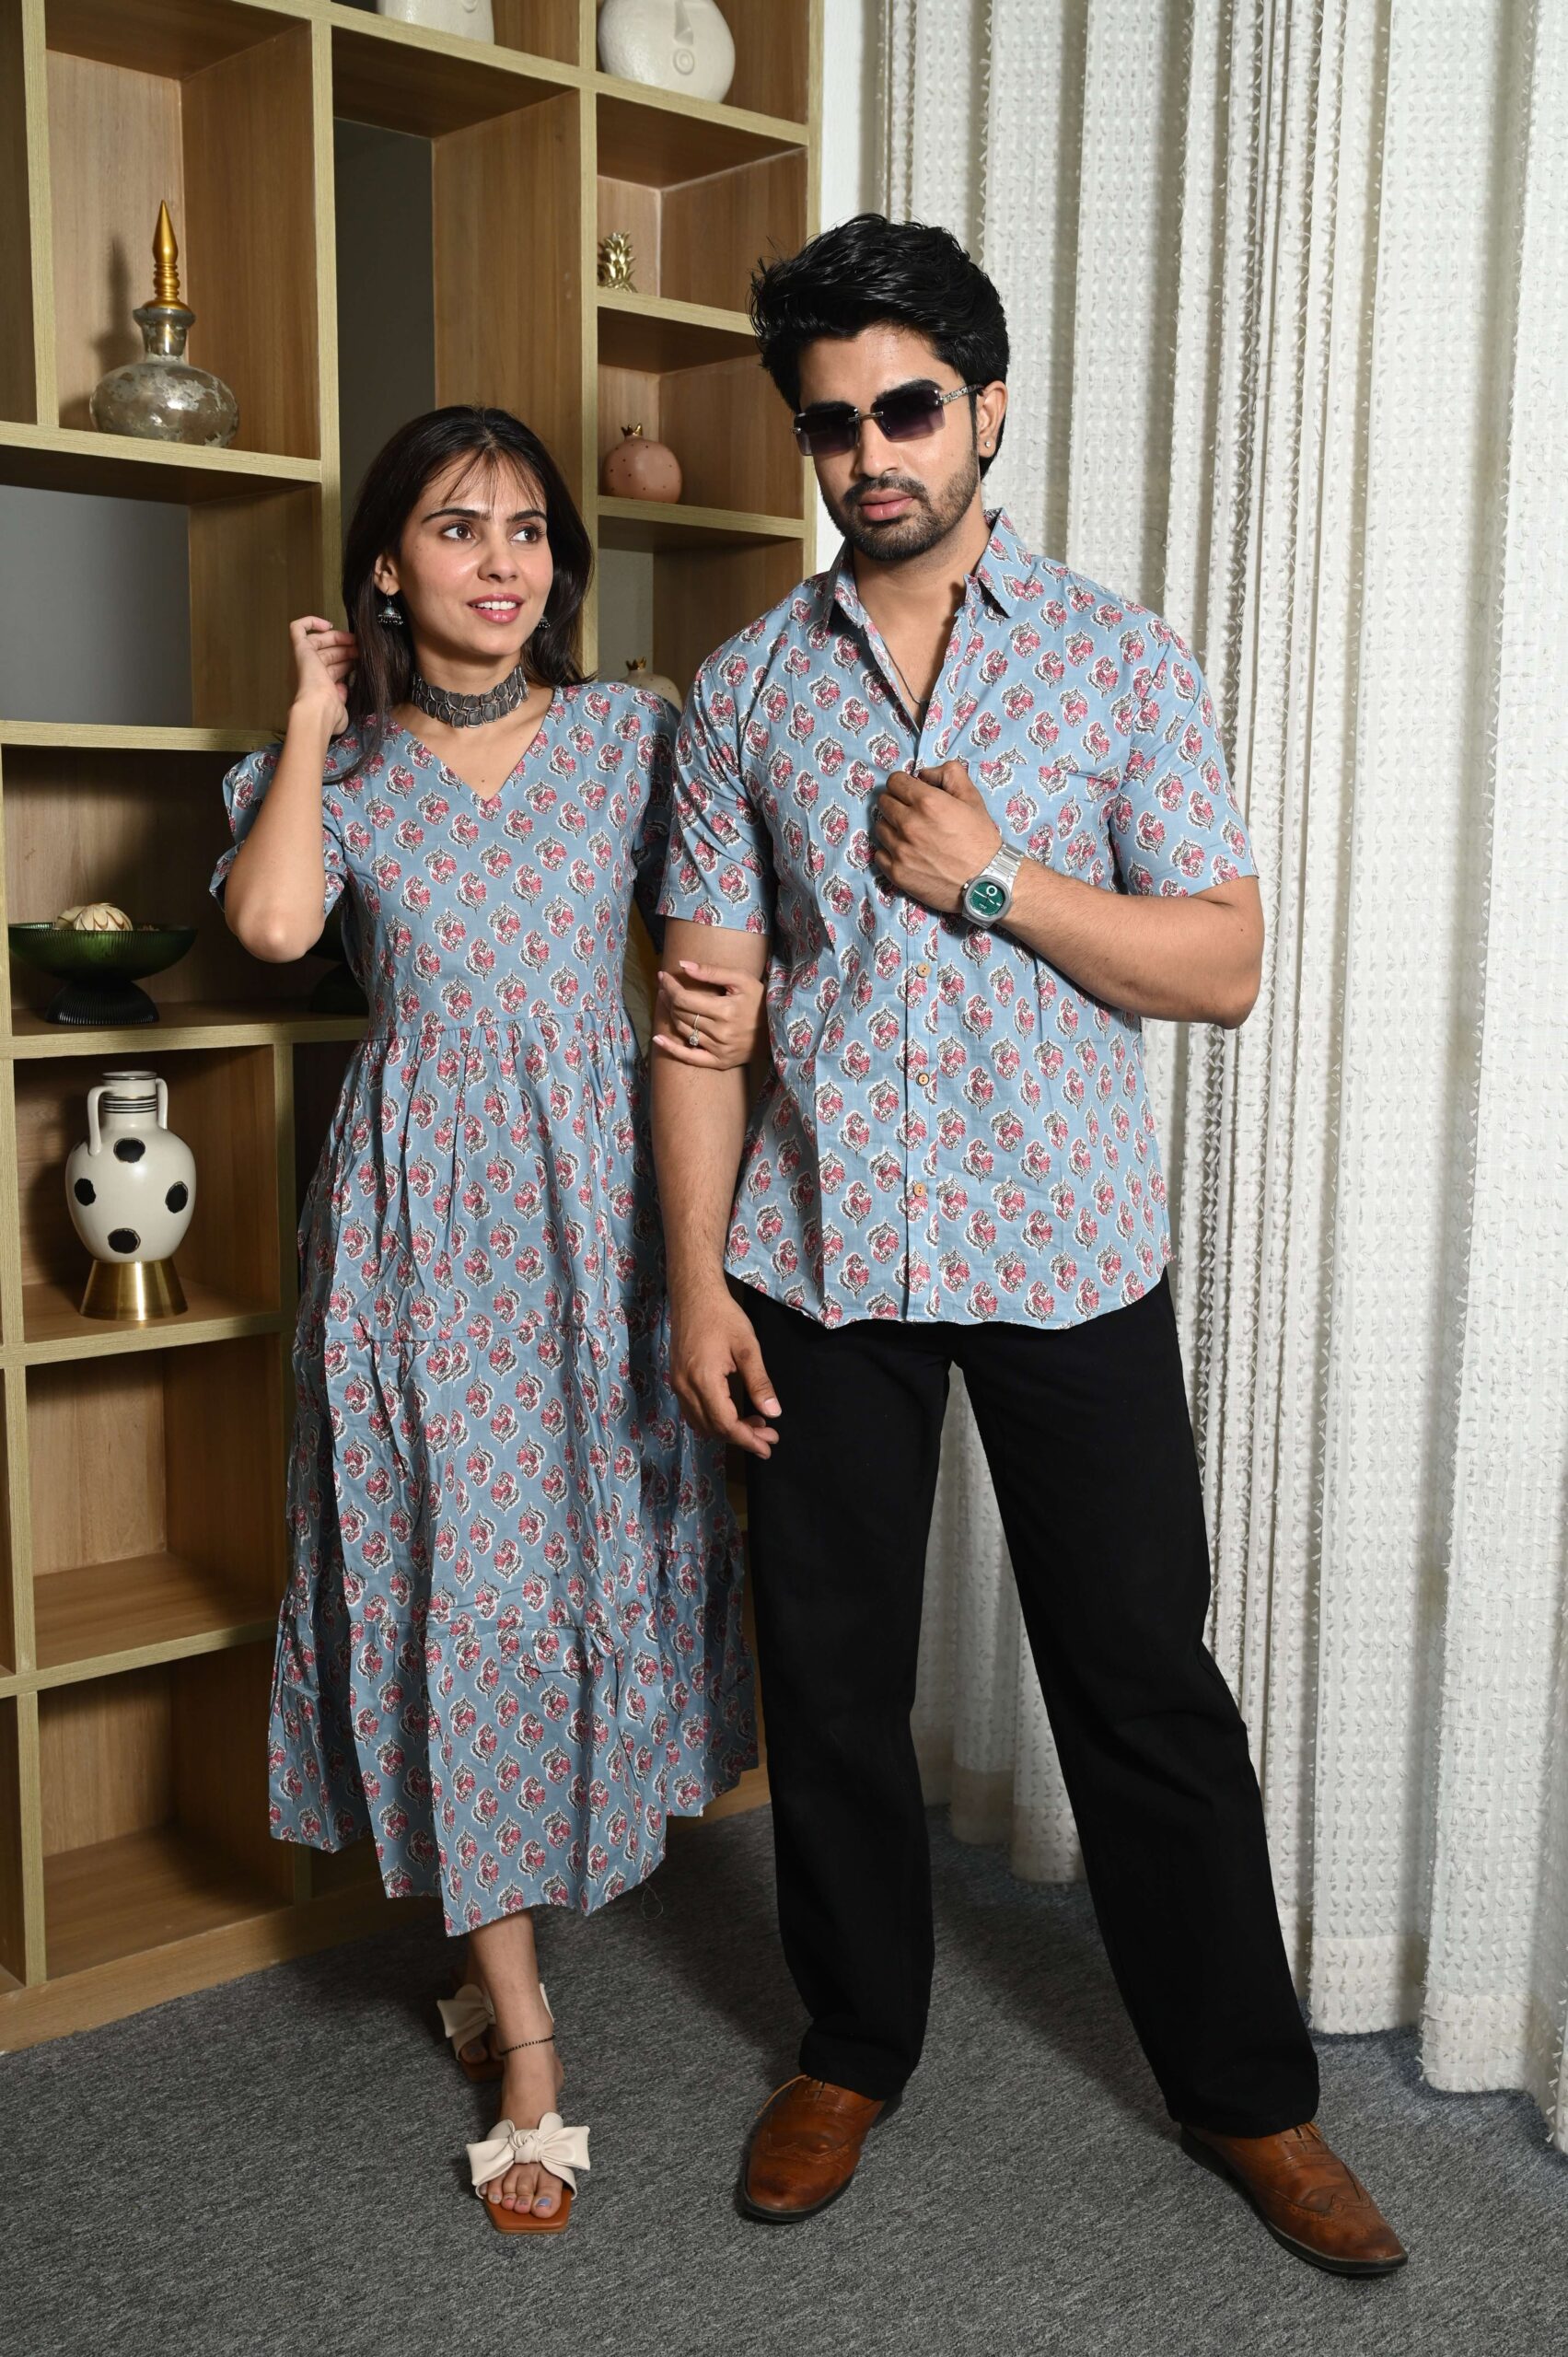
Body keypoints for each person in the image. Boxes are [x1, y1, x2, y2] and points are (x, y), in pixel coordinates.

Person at [649, 216, 1407, 2277]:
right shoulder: (742, 695)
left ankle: (1250, 2095)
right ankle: (851, 2047)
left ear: (986, 409)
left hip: (1071, 1252)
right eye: (831, 422)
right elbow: (704, 1018)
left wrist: (998, 883)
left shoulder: (1117, 659)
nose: (869, 453)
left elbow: (1224, 962)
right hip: (822, 1258)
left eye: (905, 408)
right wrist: (701, 1278)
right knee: (828, 1681)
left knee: (1143, 1681)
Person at [214, 405, 760, 2233]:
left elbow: (732, 921)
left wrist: (735, 1017)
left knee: (578, 1564)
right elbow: (273, 928)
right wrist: (313, 722)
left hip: (601, 1207)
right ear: (386, 565)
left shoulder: (632, 736)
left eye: (528, 528)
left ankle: (497, 1938)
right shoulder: (334, 769)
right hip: (420, 1231)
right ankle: (523, 2030)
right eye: (458, 528)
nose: (503, 561)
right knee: (452, 1577)